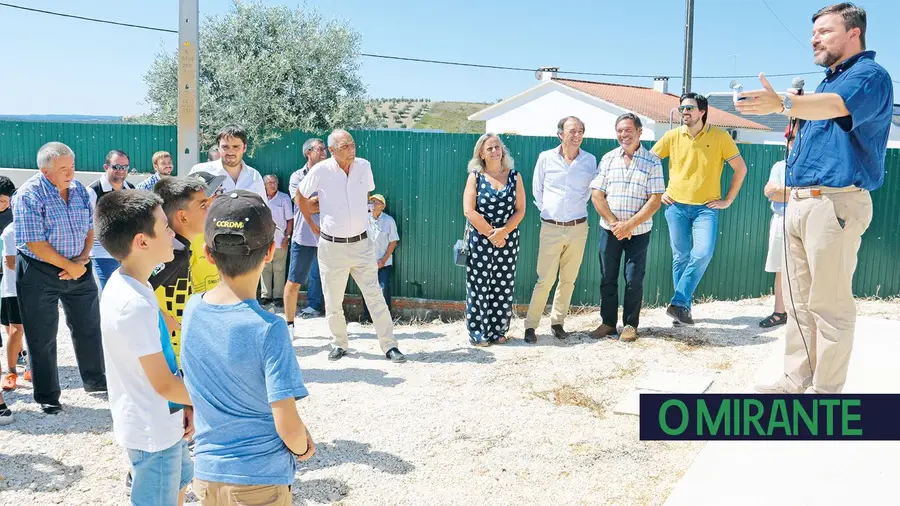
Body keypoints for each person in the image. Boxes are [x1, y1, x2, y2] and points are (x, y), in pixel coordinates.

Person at [738, 3, 894, 394]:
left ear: (853, 33)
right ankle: (794, 381)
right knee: (798, 305)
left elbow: (837, 109)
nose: (814, 38)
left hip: (835, 204)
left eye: (824, 31)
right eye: (814, 32)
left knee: (829, 307)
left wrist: (785, 104)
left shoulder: (868, 76)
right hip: (800, 203)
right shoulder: (826, 82)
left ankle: (826, 395)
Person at [181, 190, 315, 504]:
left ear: (208, 253)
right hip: (260, 480)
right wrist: (302, 446)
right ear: (270, 252)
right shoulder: (270, 328)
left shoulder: (192, 309)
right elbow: (286, 421)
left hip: (206, 475)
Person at [96, 190, 194, 506]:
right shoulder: (133, 304)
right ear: (142, 242)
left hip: (166, 418)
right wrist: (217, 399)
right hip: (153, 432)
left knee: (179, 484)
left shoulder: (134, 282)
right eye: (165, 226)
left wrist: (185, 405)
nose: (172, 233)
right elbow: (164, 384)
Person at [297, 129, 406, 362]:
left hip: (361, 244)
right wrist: (310, 223)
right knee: (333, 300)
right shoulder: (321, 170)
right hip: (331, 247)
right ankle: (339, 344)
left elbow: (364, 195)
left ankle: (390, 346)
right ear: (333, 150)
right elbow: (301, 194)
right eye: (345, 146)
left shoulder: (364, 166)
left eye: (353, 144)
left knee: (375, 296)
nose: (351, 149)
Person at [13, 142, 106, 414]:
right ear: (45, 170)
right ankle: (47, 395)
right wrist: (70, 265)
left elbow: (90, 229)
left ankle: (95, 379)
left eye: (72, 166)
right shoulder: (29, 194)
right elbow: (34, 243)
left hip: (79, 265)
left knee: (88, 325)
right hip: (38, 269)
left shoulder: (79, 190)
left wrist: (81, 261)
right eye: (64, 168)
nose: (70, 173)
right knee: (42, 334)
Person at [651, 93, 748, 325]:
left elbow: (741, 169)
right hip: (675, 206)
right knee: (681, 257)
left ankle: (678, 302)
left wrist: (728, 200)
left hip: (706, 208)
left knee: (703, 253)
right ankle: (682, 310)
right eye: (682, 108)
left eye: (689, 108)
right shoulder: (672, 136)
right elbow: (649, 161)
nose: (685, 112)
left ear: (702, 111)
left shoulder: (720, 136)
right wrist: (659, 192)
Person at [588, 114, 665, 342]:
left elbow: (655, 200)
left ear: (639, 132)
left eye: (628, 130)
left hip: (638, 232)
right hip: (610, 230)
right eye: (619, 130)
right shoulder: (608, 159)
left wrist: (629, 225)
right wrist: (615, 224)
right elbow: (597, 195)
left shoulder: (652, 162)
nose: (623, 134)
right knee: (607, 277)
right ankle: (608, 324)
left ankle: (630, 325)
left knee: (634, 279)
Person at [523, 117, 597, 343]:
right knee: (545, 279)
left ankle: (557, 323)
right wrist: (549, 212)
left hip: (578, 227)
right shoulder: (545, 158)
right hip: (551, 228)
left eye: (581, 131)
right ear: (560, 135)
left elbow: (588, 192)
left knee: (568, 279)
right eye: (572, 131)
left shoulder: (590, 160)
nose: (577, 135)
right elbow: (537, 190)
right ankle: (530, 326)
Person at [150, 176, 222, 365]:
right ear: (182, 216)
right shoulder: (172, 253)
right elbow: (136, 287)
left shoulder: (180, 247)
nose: (210, 210)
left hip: (179, 349)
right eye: (203, 206)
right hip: (169, 353)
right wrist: (161, 318)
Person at [462, 133, 526, 346]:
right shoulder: (475, 176)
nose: (494, 151)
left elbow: (521, 210)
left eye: (497, 147)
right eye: (489, 148)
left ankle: (498, 331)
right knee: (479, 286)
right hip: (481, 240)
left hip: (507, 241)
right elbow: (469, 211)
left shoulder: (515, 176)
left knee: (503, 284)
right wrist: (492, 234)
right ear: (481, 153)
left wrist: (504, 232)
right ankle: (478, 333)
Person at [284, 138, 326, 328]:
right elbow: (303, 204)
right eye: (320, 149)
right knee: (294, 282)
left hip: (330, 237)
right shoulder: (297, 177)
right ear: (308, 152)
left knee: (332, 282)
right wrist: (315, 203)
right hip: (304, 237)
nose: (324, 152)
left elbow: (312, 203)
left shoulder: (331, 175)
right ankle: (290, 324)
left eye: (325, 148)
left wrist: (312, 202)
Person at [758, 127, 795, 329]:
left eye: (796, 138)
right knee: (780, 268)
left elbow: (813, 193)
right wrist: (793, 191)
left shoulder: (812, 166)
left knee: (804, 268)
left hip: (804, 218)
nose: (793, 142)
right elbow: (769, 192)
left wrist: (782, 191)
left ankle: (800, 314)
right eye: (790, 138)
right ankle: (779, 312)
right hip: (781, 219)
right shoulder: (780, 166)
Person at [87, 149, 137, 290]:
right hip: (103, 255)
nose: (121, 170)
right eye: (116, 166)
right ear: (106, 167)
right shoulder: (92, 192)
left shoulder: (131, 189)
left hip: (128, 255)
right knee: (109, 296)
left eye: (125, 167)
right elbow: (86, 227)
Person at [189, 125, 265, 199]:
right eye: (225, 147)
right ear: (218, 147)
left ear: (244, 148)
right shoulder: (201, 172)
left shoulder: (254, 176)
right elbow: (187, 204)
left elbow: (264, 209)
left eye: (236, 147)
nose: (230, 152)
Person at [361, 194, 399, 322]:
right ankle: (367, 319)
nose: (372, 204)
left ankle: (384, 319)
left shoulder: (389, 221)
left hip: (383, 263)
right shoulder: (364, 219)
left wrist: (383, 260)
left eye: (376, 202)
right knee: (367, 291)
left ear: (383, 206)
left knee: (383, 290)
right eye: (371, 202)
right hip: (367, 262)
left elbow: (393, 241)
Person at [2, 220, 28, 390]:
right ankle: (10, 372)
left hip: (36, 288)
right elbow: (11, 263)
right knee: (16, 330)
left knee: (38, 330)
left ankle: (30, 366)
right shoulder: (11, 231)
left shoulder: (37, 225)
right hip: (14, 288)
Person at [260, 175, 293, 306]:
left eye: (274, 182)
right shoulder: (261, 198)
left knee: (279, 268)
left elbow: (290, 219)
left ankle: (278, 297)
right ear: (265, 185)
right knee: (265, 268)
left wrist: (287, 236)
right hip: (264, 241)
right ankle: (266, 295)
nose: (273, 185)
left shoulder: (284, 198)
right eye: (270, 183)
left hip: (280, 240)